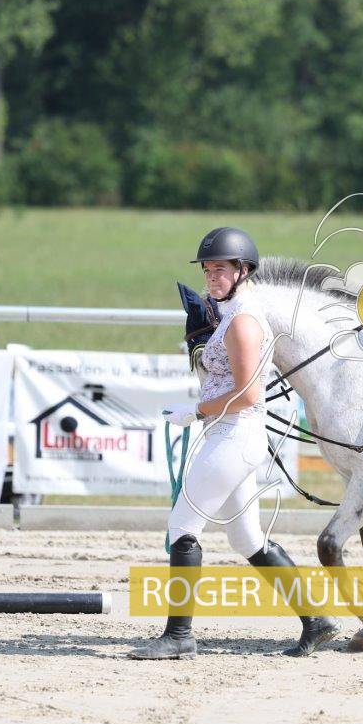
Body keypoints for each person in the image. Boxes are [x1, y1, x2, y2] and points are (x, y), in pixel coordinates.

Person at [130, 227, 340, 659]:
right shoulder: (232, 314)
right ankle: (317, 620)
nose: (212, 277)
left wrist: (195, 411)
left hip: (235, 433)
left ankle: (179, 635)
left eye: (221, 269)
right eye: (208, 270)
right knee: (247, 539)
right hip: (231, 433)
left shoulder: (243, 322)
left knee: (182, 526)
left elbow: (247, 393)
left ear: (244, 271)